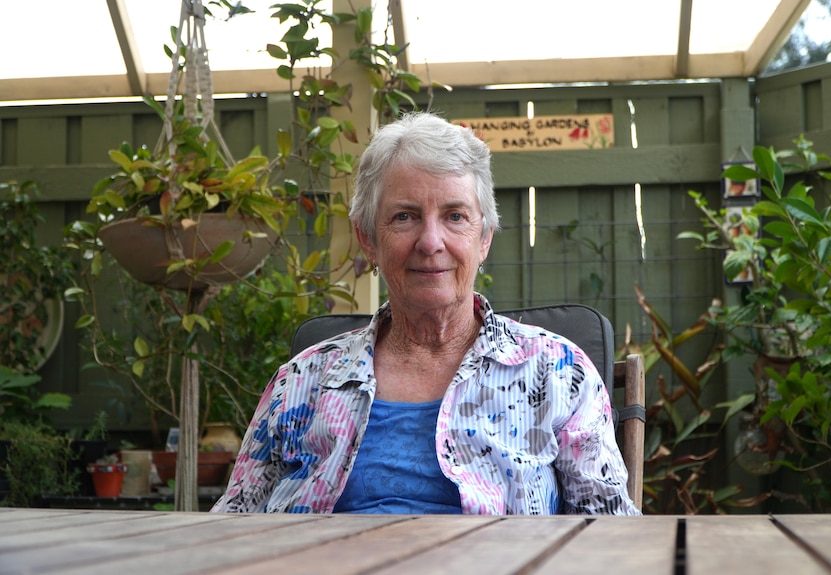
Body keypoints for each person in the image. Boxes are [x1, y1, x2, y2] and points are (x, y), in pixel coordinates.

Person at [211, 112, 640, 516]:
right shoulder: (303, 382)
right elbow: (232, 525)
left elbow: (610, 534)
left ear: (484, 239)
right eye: (405, 216)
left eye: (455, 216)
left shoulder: (557, 373)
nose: (430, 241)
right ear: (368, 240)